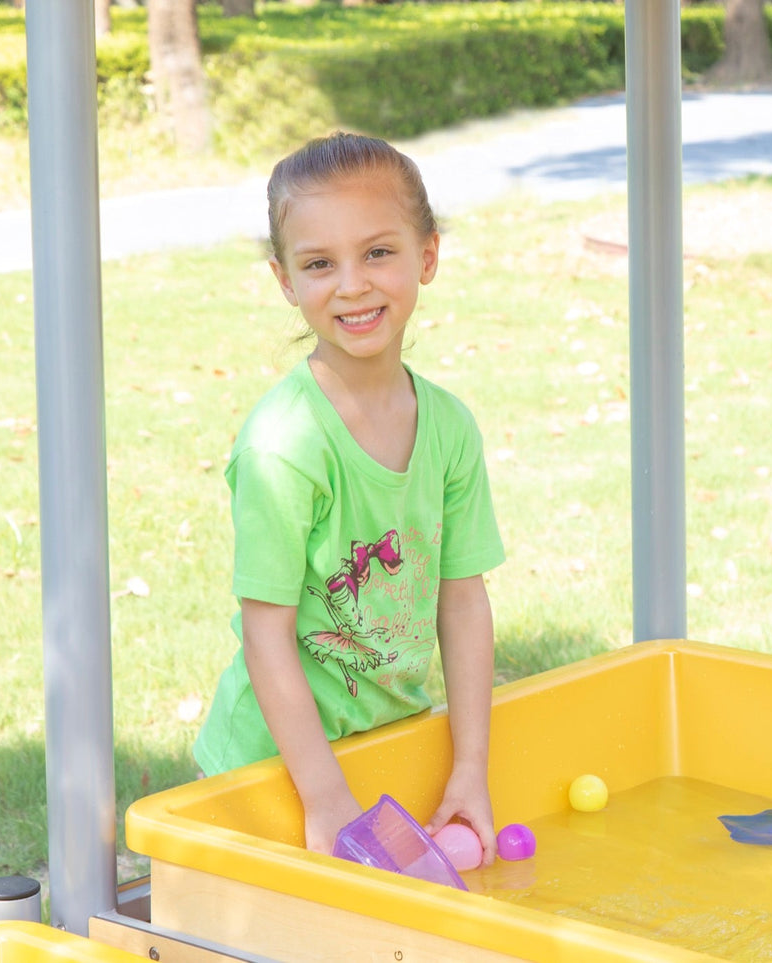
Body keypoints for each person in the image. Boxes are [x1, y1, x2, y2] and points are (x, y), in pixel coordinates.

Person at [193, 132, 504, 864]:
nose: (352, 284)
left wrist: (469, 766)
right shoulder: (284, 443)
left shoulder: (450, 428)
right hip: (270, 768)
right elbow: (265, 633)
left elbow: (462, 600)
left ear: (426, 255)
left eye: (377, 252)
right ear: (284, 280)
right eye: (319, 264)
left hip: (383, 749)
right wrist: (323, 795)